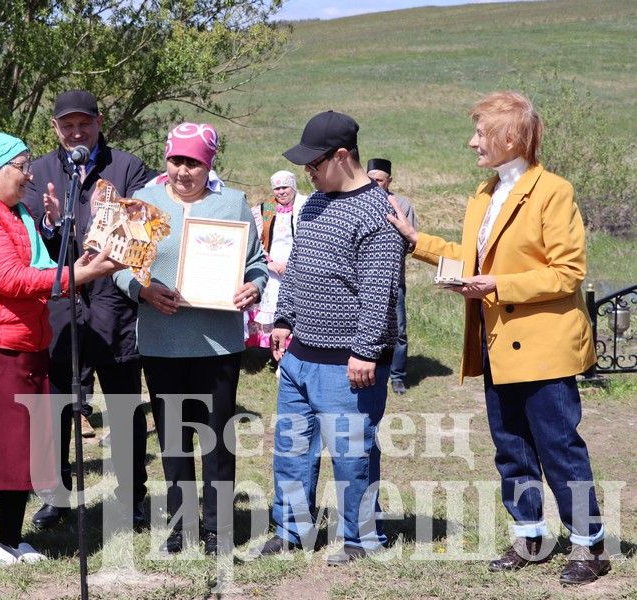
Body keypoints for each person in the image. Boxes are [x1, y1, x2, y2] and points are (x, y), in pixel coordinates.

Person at [387, 91, 609, 586]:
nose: (472, 143)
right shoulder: (485, 194)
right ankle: (530, 536)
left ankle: (590, 545)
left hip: (544, 349)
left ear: (511, 136)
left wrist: (498, 286)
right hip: (495, 345)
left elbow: (567, 273)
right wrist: (414, 240)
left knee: (558, 448)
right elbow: (472, 257)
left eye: (480, 133)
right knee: (510, 448)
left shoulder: (553, 191)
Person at [0, 131, 123, 565]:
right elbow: (9, 279)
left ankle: (12, 540)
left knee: (20, 444)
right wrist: (81, 275)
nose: (29, 174)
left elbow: (44, 271)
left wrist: (84, 260)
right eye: (21, 166)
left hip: (23, 342)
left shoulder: (16, 214)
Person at [256, 111, 404, 564]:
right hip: (300, 353)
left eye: (314, 165)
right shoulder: (315, 203)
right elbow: (299, 268)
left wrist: (364, 351)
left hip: (349, 363)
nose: (308, 174)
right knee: (292, 449)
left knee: (351, 454)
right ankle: (292, 529)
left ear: (342, 157)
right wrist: (283, 318)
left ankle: (360, 539)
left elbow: (380, 289)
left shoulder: (378, 211)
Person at [114, 122, 267, 555]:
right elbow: (121, 266)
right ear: (167, 159)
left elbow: (255, 263)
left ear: (209, 163)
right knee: (174, 438)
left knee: (217, 438)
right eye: (177, 160)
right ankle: (182, 528)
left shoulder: (233, 203)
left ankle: (218, 529)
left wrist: (253, 286)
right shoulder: (144, 202)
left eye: (194, 162)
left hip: (217, 343)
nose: (184, 171)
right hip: (162, 340)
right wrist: (141, 290)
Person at [22, 90, 152, 529]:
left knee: (123, 406)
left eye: (84, 123)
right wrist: (53, 222)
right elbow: (27, 241)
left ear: (100, 122)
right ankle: (55, 497)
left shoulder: (128, 167)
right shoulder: (38, 172)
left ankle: (131, 498)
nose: (76, 131)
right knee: (56, 405)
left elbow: (146, 231)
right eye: (67, 125)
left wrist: (109, 215)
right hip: (61, 306)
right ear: (56, 129)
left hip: (114, 306)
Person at [367, 158, 418, 395]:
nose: (375, 184)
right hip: (363, 279)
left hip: (393, 278)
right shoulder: (359, 202)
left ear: (389, 181)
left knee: (398, 329)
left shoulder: (403, 204)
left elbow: (412, 239)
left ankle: (397, 375)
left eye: (379, 180)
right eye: (371, 179)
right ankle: (368, 369)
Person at [245, 170, 307, 350]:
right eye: (277, 188)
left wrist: (292, 265)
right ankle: (274, 350)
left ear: (293, 187)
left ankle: (290, 351)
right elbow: (254, 240)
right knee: (273, 308)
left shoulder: (305, 206)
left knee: (294, 308)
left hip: (297, 267)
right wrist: (270, 264)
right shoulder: (266, 209)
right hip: (272, 269)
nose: (281, 192)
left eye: (284, 187)